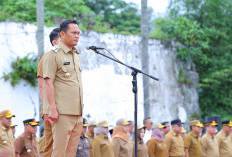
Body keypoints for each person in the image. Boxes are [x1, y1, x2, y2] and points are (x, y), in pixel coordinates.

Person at [43, 19, 83, 157]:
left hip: (77, 113)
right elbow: (48, 83)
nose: (77, 35)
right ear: (62, 34)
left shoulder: (76, 54)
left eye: (78, 33)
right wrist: (52, 109)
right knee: (59, 153)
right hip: (62, 113)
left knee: (70, 153)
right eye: (73, 33)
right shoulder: (52, 54)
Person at [37, 27, 60, 157]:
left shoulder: (64, 58)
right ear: (54, 42)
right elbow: (42, 86)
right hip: (51, 111)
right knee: (50, 147)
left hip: (63, 108)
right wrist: (47, 110)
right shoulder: (46, 58)